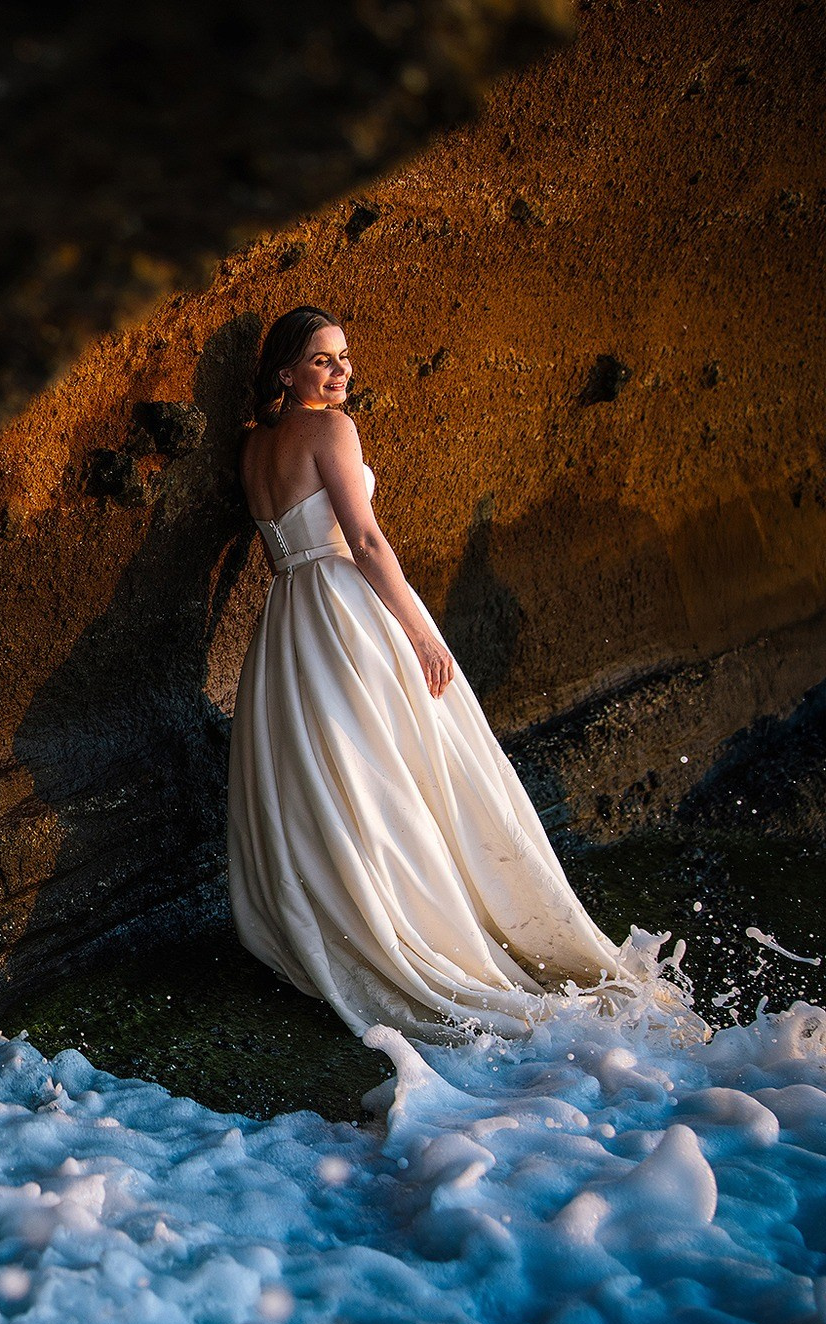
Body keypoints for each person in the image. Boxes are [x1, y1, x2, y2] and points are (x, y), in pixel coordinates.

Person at [224, 305, 680, 1040]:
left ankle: (349, 923)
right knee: (406, 765)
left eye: (344, 357)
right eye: (322, 359)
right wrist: (418, 632)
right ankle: (428, 921)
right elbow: (366, 541)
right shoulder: (332, 429)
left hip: (287, 617)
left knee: (329, 775)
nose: (340, 372)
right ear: (286, 371)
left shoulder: (251, 447)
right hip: (347, 608)